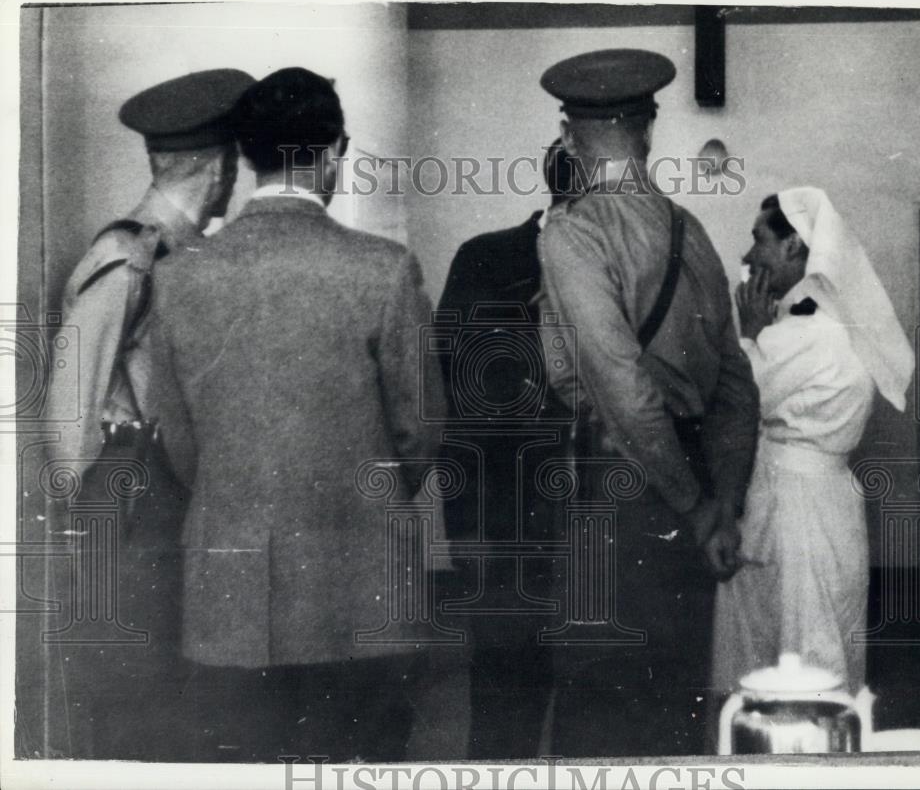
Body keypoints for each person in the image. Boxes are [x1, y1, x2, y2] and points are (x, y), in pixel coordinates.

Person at [145, 67, 445, 762]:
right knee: (359, 760)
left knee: (246, 765)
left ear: (246, 157)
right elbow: (422, 432)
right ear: (334, 152)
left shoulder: (180, 273)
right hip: (361, 586)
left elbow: (177, 436)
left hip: (232, 589)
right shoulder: (385, 268)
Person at [536, 49, 760, 756]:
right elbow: (735, 386)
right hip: (694, 488)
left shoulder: (572, 233)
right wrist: (719, 507)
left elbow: (616, 389)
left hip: (618, 495)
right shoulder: (689, 231)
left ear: (569, 134)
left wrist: (694, 508)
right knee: (674, 706)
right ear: (651, 128)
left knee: (600, 709)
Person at [42, 68, 254, 760]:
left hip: (179, 496)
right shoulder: (129, 256)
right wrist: (91, 532)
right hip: (134, 494)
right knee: (140, 693)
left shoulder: (194, 255)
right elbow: (70, 409)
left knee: (188, 691)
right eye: (232, 167)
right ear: (219, 167)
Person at [712, 188, 914, 695]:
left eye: (759, 239)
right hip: (807, 504)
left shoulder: (811, 328)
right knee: (800, 641)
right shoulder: (813, 319)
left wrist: (749, 333)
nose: (748, 255)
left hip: (799, 512)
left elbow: (739, 400)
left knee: (800, 654)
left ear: (794, 247)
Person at [436, 141, 576, 759]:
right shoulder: (486, 260)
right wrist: (462, 528)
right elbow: (450, 405)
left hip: (613, 527)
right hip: (507, 526)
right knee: (503, 707)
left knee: (606, 710)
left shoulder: (633, 265)